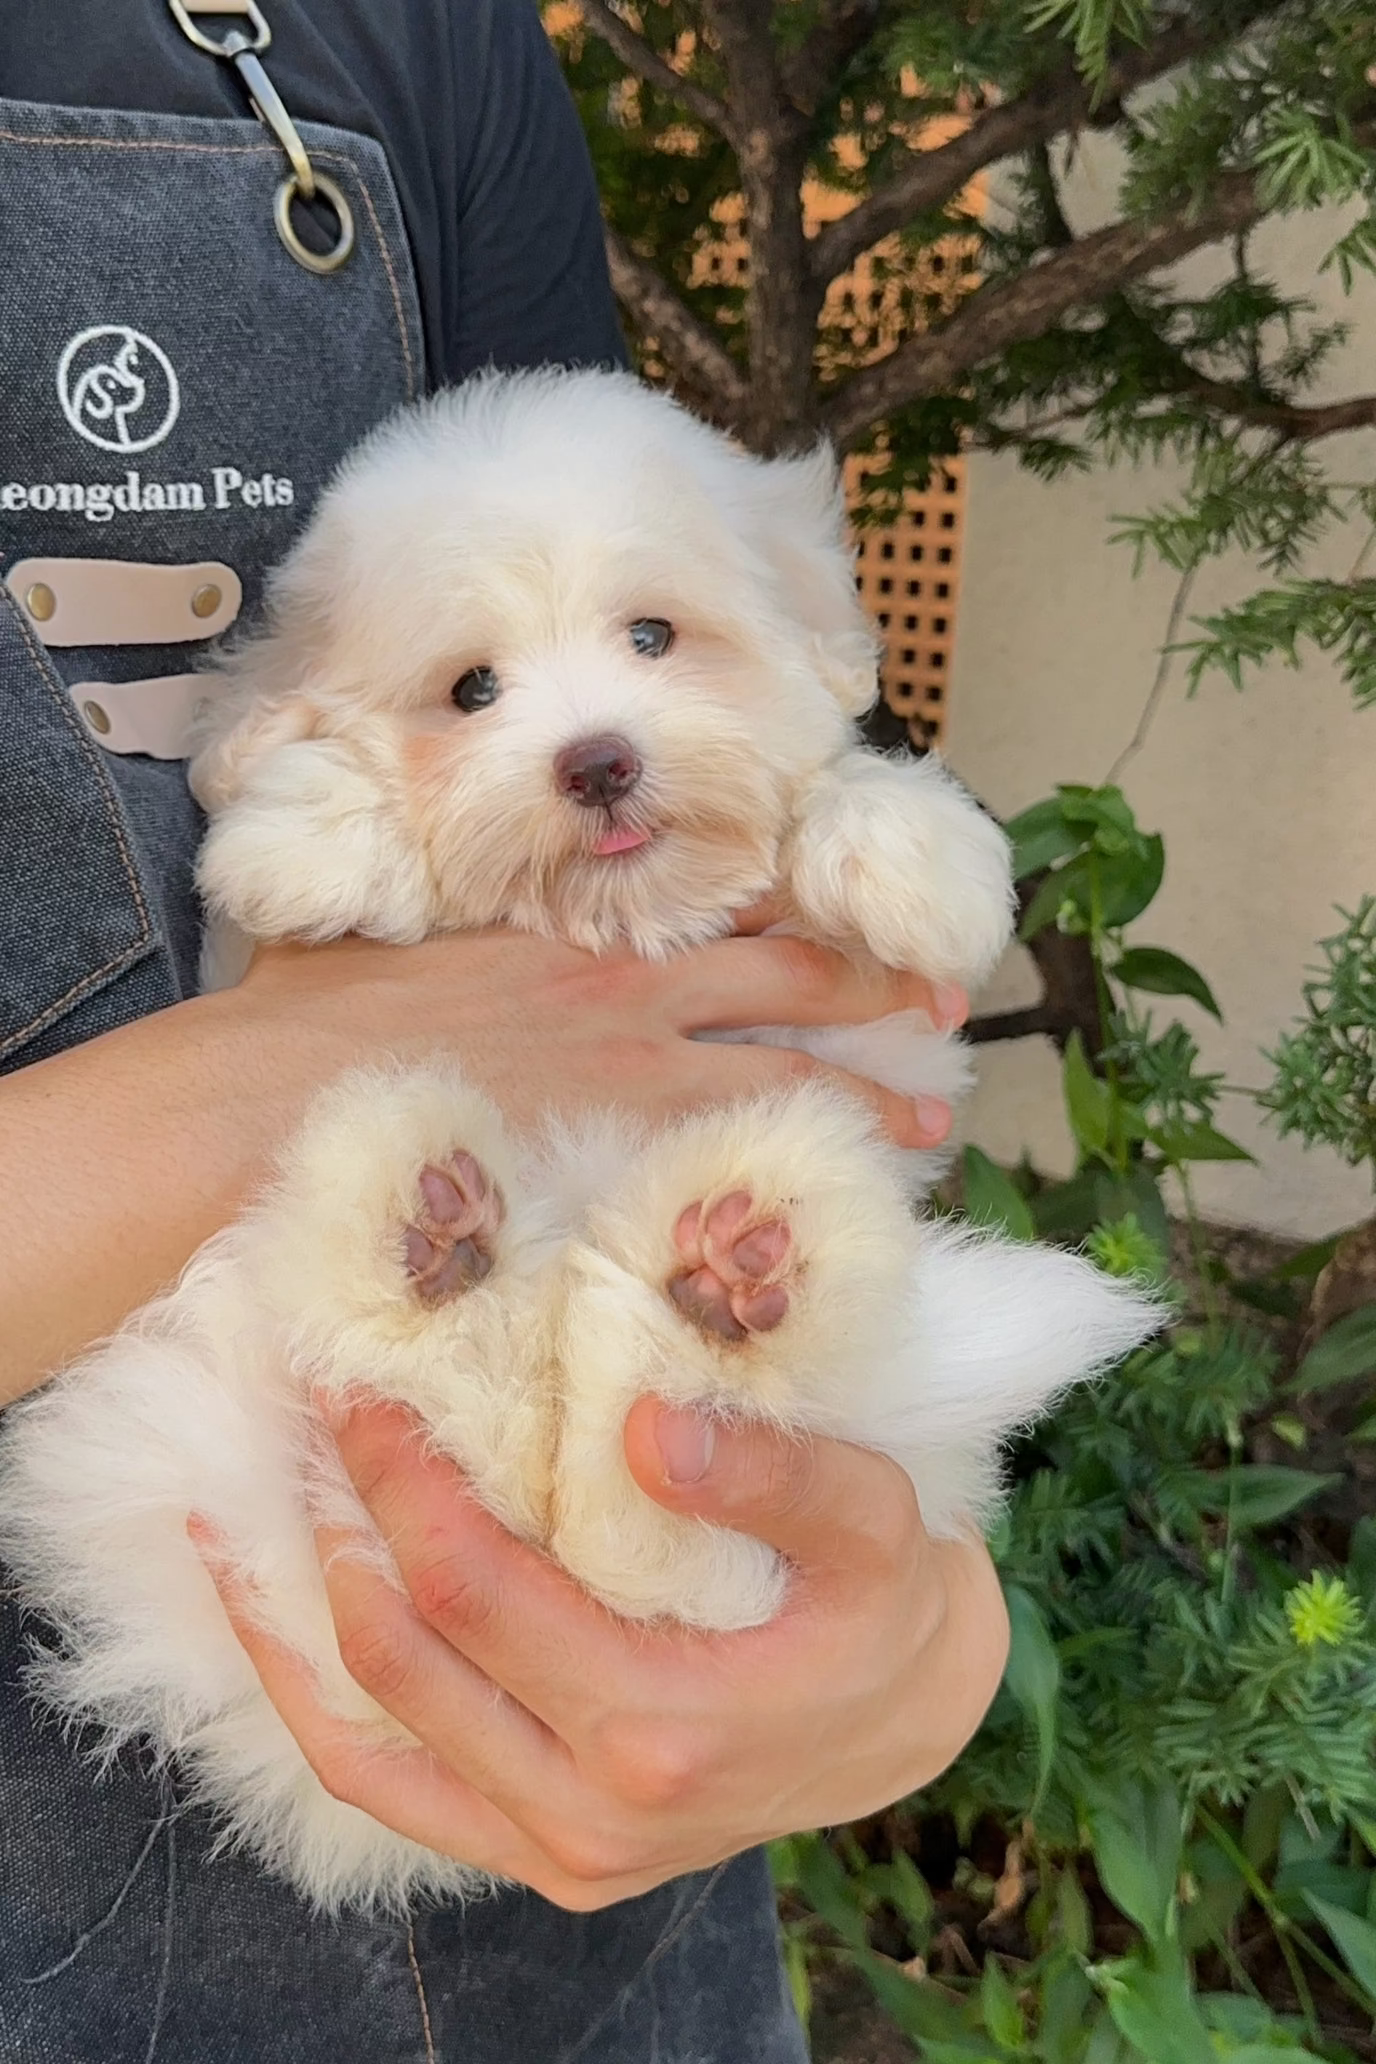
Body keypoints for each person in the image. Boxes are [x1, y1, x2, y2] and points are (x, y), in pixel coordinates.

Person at [0, 3, 1010, 2058]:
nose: (594, 725)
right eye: (477, 691)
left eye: (643, 645)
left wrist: (919, 1645)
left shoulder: (399, 32)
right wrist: (264, 1076)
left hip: (626, 1936)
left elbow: (621, 575)